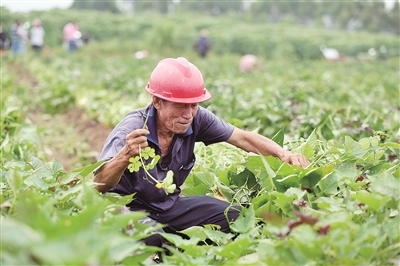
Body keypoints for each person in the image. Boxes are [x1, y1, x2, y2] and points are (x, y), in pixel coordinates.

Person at [94, 57, 309, 248]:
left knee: (234, 217)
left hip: (168, 206)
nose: (188, 114)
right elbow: (99, 184)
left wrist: (284, 154)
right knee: (150, 238)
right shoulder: (132, 128)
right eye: (180, 106)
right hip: (127, 208)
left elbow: (243, 137)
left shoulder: (196, 118)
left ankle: (178, 244)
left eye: (193, 105)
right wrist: (124, 156)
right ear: (157, 102)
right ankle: (164, 244)